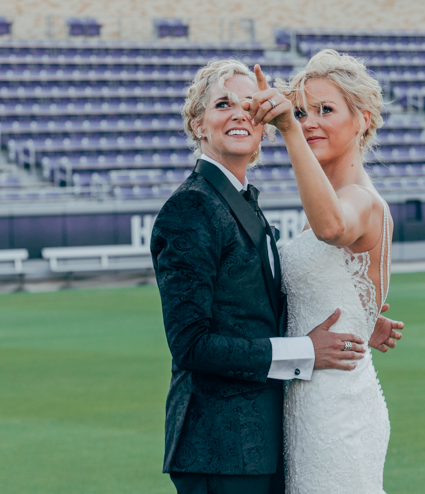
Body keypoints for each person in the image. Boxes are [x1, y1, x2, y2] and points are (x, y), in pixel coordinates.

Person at [150, 59, 404, 494]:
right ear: (198, 125)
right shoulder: (193, 207)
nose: (307, 124)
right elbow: (191, 343)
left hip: (299, 419)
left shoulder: (251, 202)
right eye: (223, 104)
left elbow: (262, 292)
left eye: (249, 105)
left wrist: (359, 318)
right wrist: (306, 347)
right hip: (226, 443)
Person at [243, 50, 393, 494]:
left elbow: (333, 228)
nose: (310, 122)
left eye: (326, 110)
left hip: (337, 404)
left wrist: (287, 129)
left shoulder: (361, 199)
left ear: (362, 120)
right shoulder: (326, 201)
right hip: (304, 395)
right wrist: (364, 319)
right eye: (304, 111)